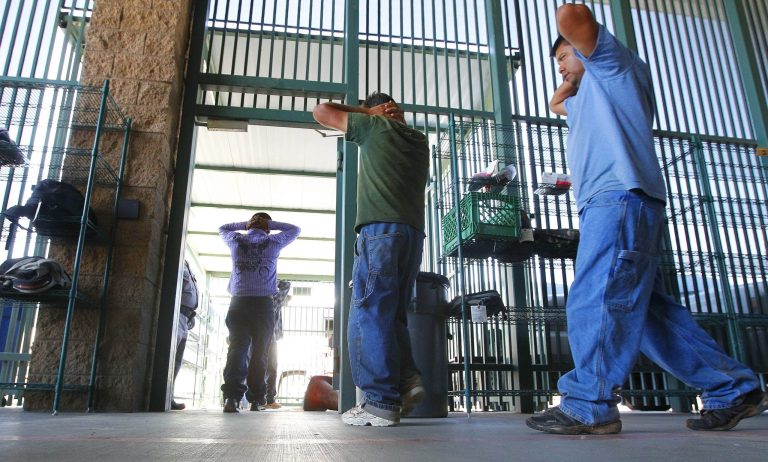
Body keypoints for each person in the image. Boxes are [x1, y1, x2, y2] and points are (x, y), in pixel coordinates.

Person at [526, 4, 767, 435]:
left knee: (597, 294)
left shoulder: (615, 68)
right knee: (650, 316)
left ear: (588, 49)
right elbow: (557, 104)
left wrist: (578, 49)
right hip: (618, 203)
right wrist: (567, 82)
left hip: (619, 196)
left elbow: (571, 15)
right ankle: (731, 387)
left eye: (563, 55)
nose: (560, 64)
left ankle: (588, 404)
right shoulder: (587, 99)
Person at [312, 92, 429, 427]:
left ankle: (379, 401)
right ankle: (406, 382)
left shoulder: (374, 127)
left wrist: (366, 111)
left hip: (380, 232)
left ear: (379, 111)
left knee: (369, 310)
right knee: (393, 315)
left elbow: (321, 111)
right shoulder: (419, 141)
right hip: (412, 235)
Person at [219, 212, 300, 413]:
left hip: (238, 303)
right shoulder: (274, 242)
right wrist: (269, 224)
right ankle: (256, 400)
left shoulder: (236, 240)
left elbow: (223, 228)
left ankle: (231, 397)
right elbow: (295, 229)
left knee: (237, 349)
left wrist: (245, 224)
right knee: (260, 353)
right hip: (263, 306)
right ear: (268, 228)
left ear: (249, 226)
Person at [247, 279, 291, 410]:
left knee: (266, 365)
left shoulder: (269, 301)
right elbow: (286, 284)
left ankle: (266, 398)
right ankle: (266, 398)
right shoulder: (273, 300)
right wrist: (269, 280)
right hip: (268, 335)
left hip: (268, 335)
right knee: (269, 366)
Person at [171, 260, 198, 410]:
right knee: (171, 357)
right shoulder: (179, 261)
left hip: (185, 317)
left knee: (177, 361)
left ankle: (169, 395)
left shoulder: (187, 264)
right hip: (177, 313)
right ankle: (167, 396)